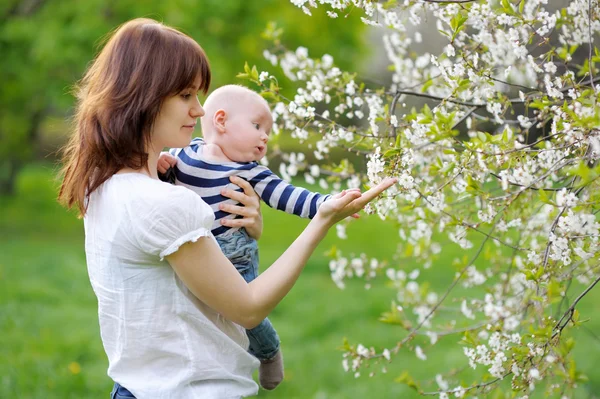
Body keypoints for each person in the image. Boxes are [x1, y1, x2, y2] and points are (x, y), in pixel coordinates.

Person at [59, 18, 396, 399]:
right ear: (145, 97)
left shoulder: (101, 184)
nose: (200, 111)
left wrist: (244, 225)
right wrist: (321, 219)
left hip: (137, 386)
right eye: (186, 96)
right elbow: (249, 308)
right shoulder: (161, 204)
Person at [157, 84, 342, 390]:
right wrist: (162, 167)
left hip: (234, 254)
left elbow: (287, 195)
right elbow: (162, 188)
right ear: (221, 121)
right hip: (195, 252)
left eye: (267, 130)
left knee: (247, 313)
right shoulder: (183, 155)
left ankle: (268, 352)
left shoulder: (250, 172)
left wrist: (325, 203)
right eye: (257, 126)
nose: (265, 136)